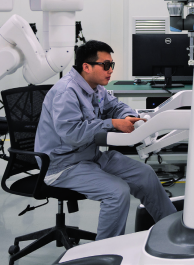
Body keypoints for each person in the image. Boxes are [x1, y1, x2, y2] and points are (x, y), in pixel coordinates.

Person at [34, 40, 176, 240]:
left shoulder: (95, 87)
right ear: (87, 67)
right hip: (63, 165)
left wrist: (128, 117)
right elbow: (72, 134)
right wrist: (113, 123)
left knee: (145, 175)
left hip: (90, 157)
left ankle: (172, 233)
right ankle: (104, 252)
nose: (111, 70)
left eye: (112, 65)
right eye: (106, 65)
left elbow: (115, 106)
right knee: (117, 192)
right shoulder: (66, 92)